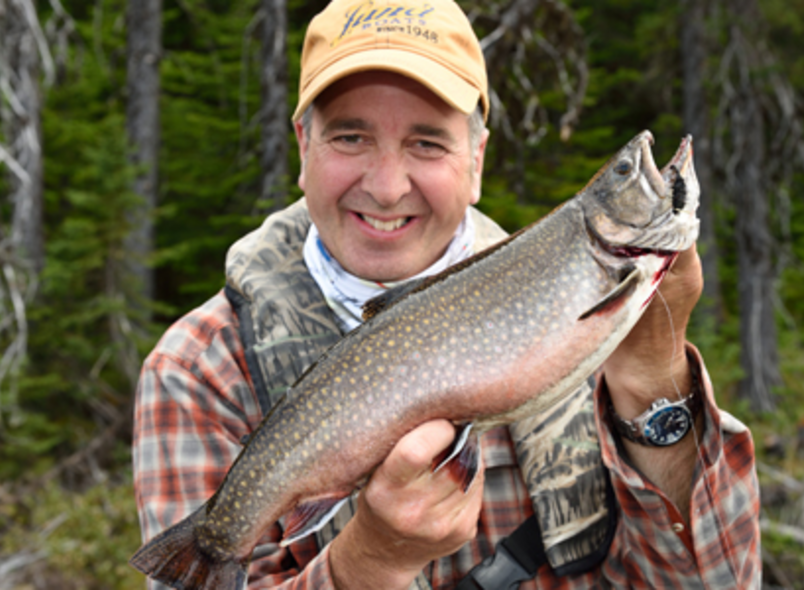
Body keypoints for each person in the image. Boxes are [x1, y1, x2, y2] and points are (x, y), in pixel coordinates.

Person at [132, 0, 762, 588]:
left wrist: (654, 377)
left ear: (478, 159)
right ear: (303, 147)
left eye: (427, 142)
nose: (385, 186)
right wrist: (366, 563)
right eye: (350, 137)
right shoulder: (197, 369)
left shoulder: (580, 299)